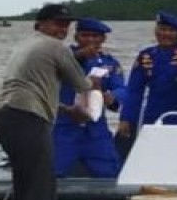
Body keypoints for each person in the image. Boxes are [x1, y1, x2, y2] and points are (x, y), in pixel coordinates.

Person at [0, 2, 93, 200]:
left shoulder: (25, 46)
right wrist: (95, 85)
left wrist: (67, 109)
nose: (62, 30)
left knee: (25, 178)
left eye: (66, 25)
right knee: (41, 181)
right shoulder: (55, 47)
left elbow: (32, 88)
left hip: (6, 117)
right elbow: (82, 83)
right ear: (40, 24)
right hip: (27, 118)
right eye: (58, 23)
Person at [115, 12, 177, 151]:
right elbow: (134, 90)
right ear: (156, 31)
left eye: (171, 31)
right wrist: (126, 118)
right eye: (162, 29)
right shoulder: (146, 55)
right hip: (153, 116)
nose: (166, 34)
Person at [52, 18, 127, 178]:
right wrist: (79, 56)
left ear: (103, 39)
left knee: (110, 172)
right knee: (53, 172)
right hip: (64, 126)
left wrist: (112, 97)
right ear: (76, 37)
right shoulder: (60, 58)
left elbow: (121, 87)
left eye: (95, 36)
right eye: (85, 35)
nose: (90, 40)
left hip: (95, 129)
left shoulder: (109, 63)